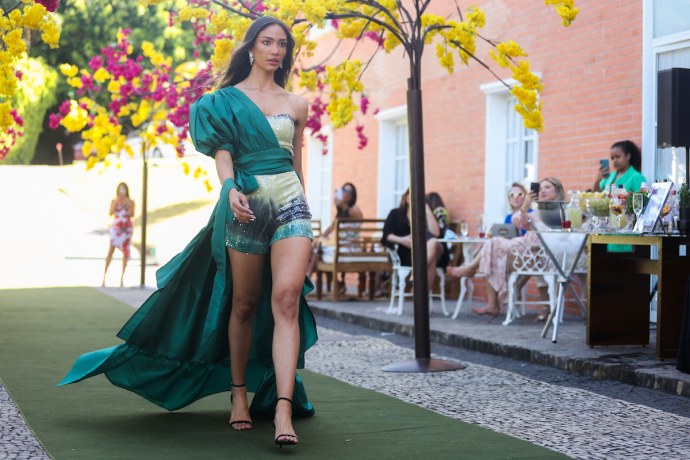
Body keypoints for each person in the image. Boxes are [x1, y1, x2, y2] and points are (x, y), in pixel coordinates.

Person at [59, 16, 317, 449]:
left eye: (282, 45)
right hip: (246, 204)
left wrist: (307, 210)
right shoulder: (222, 102)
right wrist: (230, 187)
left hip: (291, 206)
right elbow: (223, 154)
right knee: (244, 303)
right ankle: (238, 393)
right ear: (251, 47)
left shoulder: (297, 104)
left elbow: (296, 166)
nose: (276, 50)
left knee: (287, 299)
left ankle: (283, 407)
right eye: (268, 42)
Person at [446, 177, 565, 322]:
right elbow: (518, 222)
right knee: (492, 247)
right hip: (526, 252)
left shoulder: (561, 211)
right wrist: (526, 204)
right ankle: (491, 302)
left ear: (558, 192)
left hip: (540, 256)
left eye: (548, 187)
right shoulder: (535, 212)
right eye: (541, 188)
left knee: (493, 245)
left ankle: (472, 273)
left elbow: (560, 236)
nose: (542, 190)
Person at [382, 189, 449, 291]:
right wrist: (403, 240)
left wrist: (426, 209)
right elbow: (386, 235)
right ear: (406, 198)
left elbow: (436, 233)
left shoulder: (426, 214)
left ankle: (416, 272)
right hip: (408, 254)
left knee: (434, 243)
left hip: (430, 249)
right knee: (432, 258)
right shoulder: (395, 213)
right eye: (412, 196)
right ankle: (423, 300)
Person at [316, 182, 364, 295]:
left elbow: (356, 215)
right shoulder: (341, 212)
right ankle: (338, 284)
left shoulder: (355, 210)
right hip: (338, 246)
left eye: (349, 192)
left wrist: (341, 204)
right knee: (316, 247)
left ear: (353, 195)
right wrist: (319, 237)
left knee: (317, 252)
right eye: (344, 190)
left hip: (349, 247)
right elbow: (331, 228)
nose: (346, 193)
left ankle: (338, 284)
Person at [102, 182, 134, 287]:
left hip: (126, 228)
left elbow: (132, 214)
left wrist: (128, 204)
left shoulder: (130, 201)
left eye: (124, 189)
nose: (122, 191)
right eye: (120, 189)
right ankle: (104, 277)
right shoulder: (114, 201)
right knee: (110, 251)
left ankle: (122, 279)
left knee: (125, 252)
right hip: (116, 228)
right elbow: (110, 212)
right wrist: (116, 202)